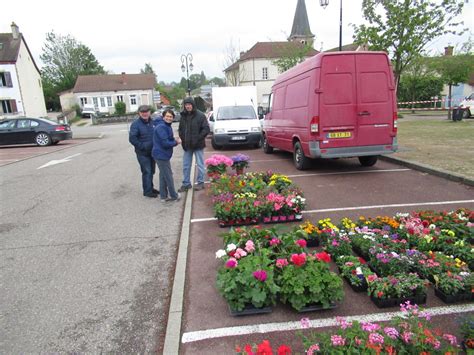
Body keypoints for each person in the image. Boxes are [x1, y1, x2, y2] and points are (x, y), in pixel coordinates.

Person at [178, 97, 210, 192]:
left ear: (193, 105)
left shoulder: (200, 115)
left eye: (189, 104)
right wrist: (183, 139)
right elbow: (181, 129)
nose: (187, 106)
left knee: (200, 164)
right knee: (186, 165)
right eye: (186, 105)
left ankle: (200, 182)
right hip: (187, 145)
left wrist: (198, 138)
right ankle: (186, 183)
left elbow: (206, 129)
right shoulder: (183, 116)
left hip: (198, 145)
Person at [129, 105, 159, 198]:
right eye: (142, 112)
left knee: (152, 171)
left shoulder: (153, 122)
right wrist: (143, 146)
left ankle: (150, 187)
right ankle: (147, 191)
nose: (145, 114)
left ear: (150, 112)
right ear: (139, 113)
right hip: (142, 153)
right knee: (147, 171)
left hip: (152, 152)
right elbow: (132, 139)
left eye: (146, 112)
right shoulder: (135, 124)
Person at [152, 109, 182, 202]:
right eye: (167, 116)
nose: (169, 118)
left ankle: (163, 196)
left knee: (163, 175)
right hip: (161, 155)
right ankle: (174, 195)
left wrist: (173, 139)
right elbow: (165, 143)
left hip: (162, 155)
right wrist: (176, 142)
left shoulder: (166, 126)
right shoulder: (161, 127)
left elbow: (166, 138)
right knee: (168, 175)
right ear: (163, 116)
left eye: (171, 117)